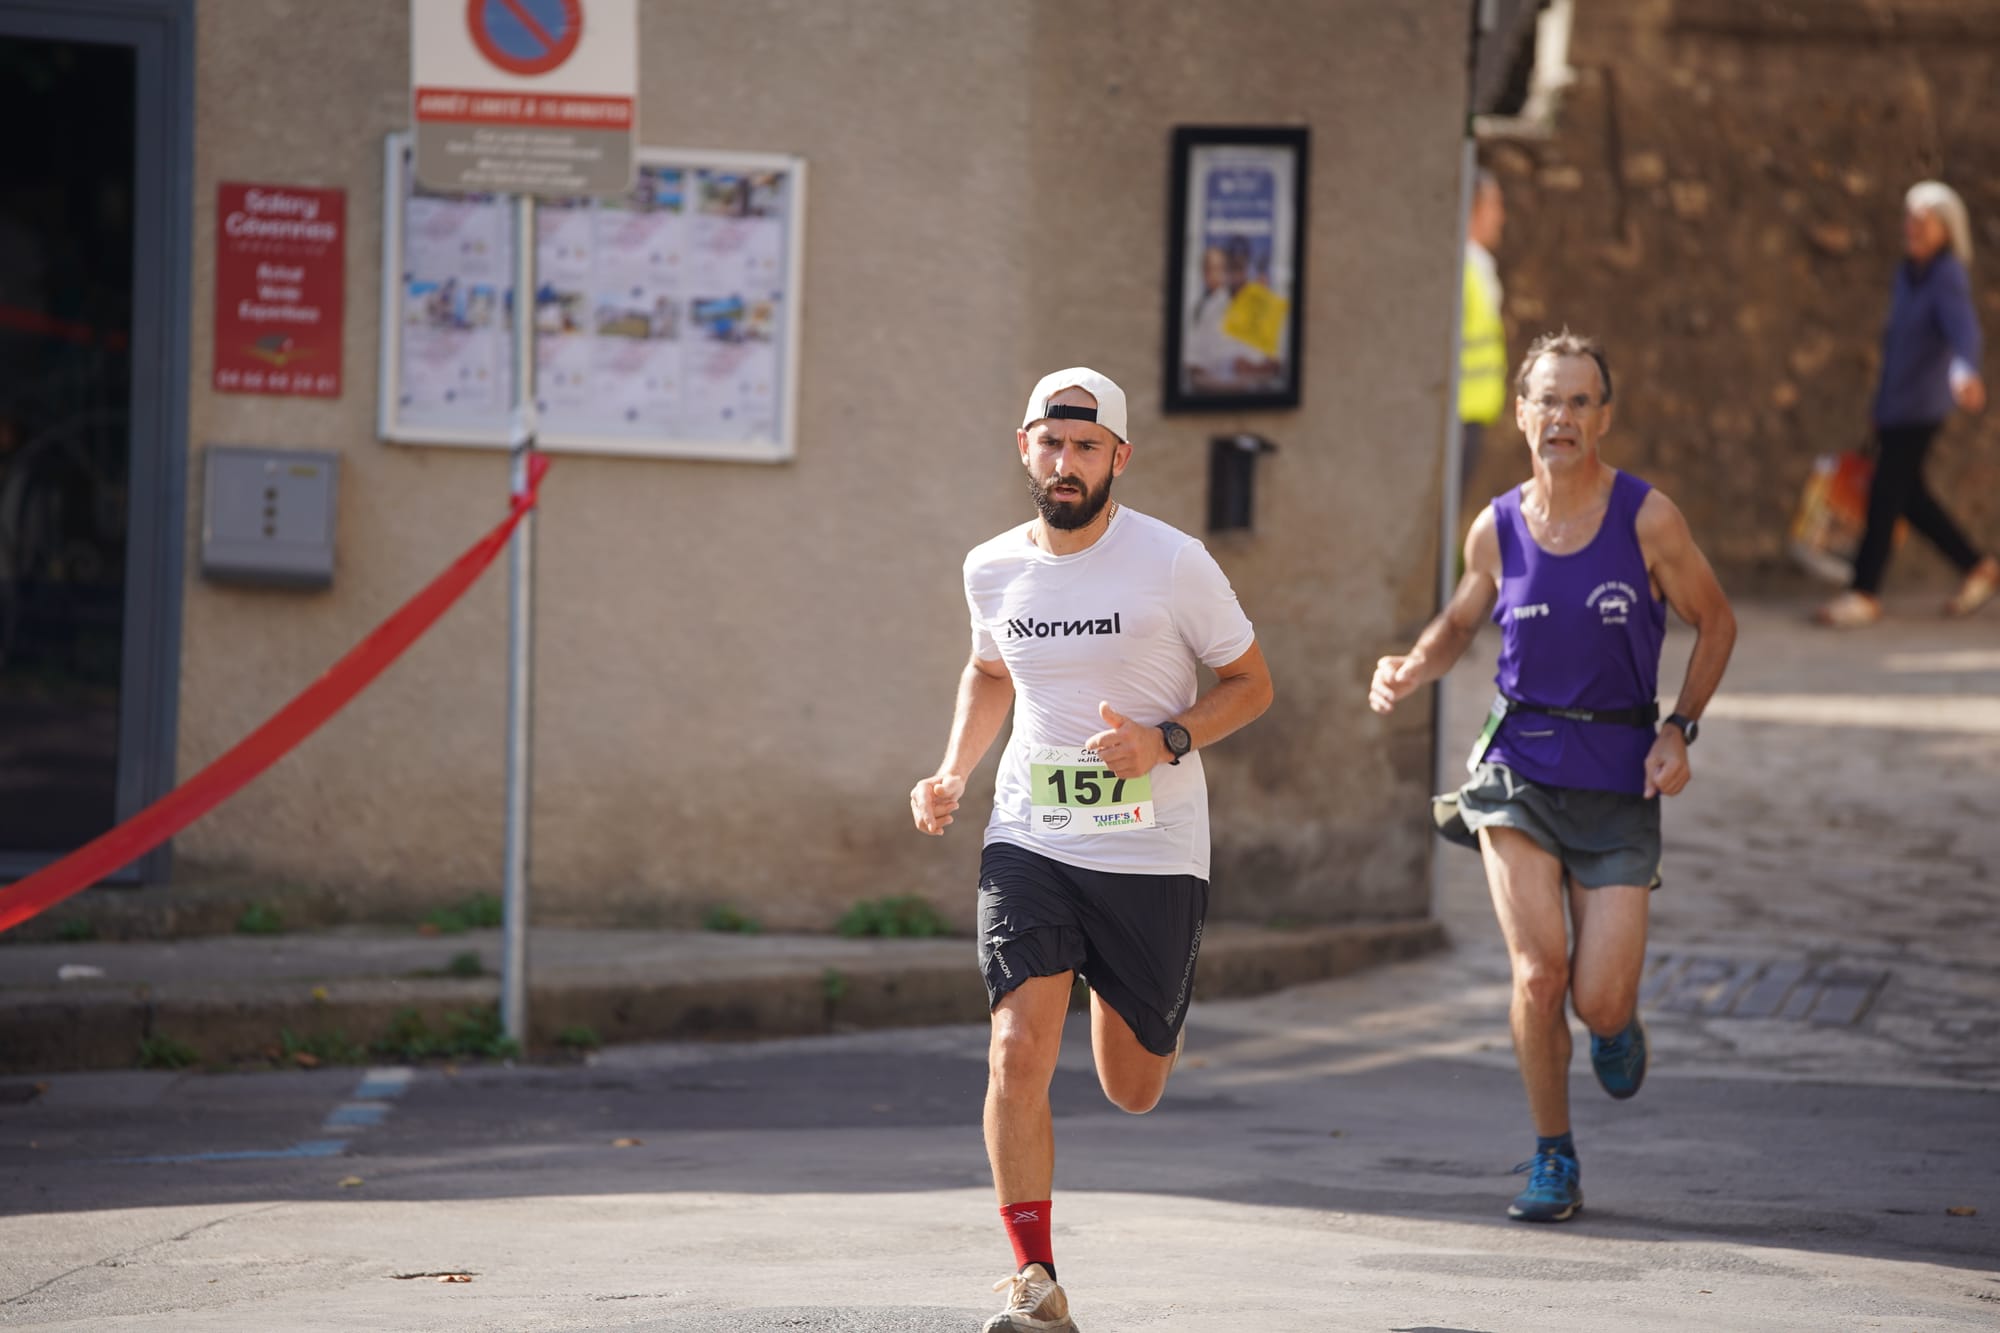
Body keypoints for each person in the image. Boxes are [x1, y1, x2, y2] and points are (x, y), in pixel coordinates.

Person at [910, 367, 1273, 1330]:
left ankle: (1145, 1007)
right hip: (1030, 834)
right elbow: (990, 670)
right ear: (1024, 446)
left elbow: (1250, 681)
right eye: (1049, 443)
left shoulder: (1172, 562)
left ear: (1118, 456)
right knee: (1016, 1050)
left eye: (1084, 446)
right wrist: (952, 771)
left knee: (1133, 1083)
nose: (1064, 463)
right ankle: (1037, 1281)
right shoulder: (992, 567)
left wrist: (1166, 739)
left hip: (1152, 846)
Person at [1369, 331, 1736, 1224]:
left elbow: (1716, 622)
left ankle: (1616, 1024)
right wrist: (1414, 664)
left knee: (1596, 995)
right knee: (1539, 973)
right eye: (1547, 400)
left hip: (1617, 773)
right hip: (1517, 767)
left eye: (1580, 401)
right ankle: (1553, 1156)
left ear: (1603, 417)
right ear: (1522, 412)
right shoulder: (1496, 526)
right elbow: (1461, 618)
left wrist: (1678, 730)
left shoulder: (1647, 519)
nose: (1562, 417)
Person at [1817, 180, 1995, 627]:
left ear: (1945, 229)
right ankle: (1978, 565)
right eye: (1910, 218)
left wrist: (1964, 374)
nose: (1911, 228)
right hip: (1895, 406)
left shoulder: (1946, 276)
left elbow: (1963, 334)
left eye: (1922, 220)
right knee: (1910, 498)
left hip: (1921, 406)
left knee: (1884, 495)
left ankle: (1864, 591)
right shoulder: (1907, 275)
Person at [1460, 170, 1508, 502]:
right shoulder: (1463, 269)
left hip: (1470, 413)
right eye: (1495, 205)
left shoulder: (1477, 266)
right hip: (1456, 416)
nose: (1501, 217)